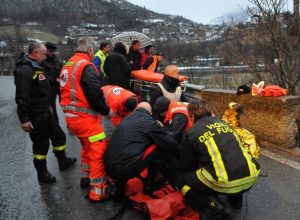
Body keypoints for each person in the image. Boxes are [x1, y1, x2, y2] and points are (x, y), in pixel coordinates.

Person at [178, 100, 260, 218]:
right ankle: (237, 200)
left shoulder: (192, 132)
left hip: (224, 182)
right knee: (231, 164)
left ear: (192, 115)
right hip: (251, 177)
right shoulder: (224, 123)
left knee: (182, 179)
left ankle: (213, 205)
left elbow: (186, 166)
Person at [14, 42, 76, 184]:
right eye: (43, 53)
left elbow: (42, 84)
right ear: (35, 53)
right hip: (36, 115)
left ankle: (63, 161)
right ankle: (42, 173)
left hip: (46, 111)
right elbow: (22, 97)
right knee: (41, 145)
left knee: (59, 136)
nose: (45, 56)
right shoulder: (25, 71)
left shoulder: (37, 66)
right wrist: (24, 119)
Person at [60, 37, 112, 202]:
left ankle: (85, 177)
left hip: (72, 118)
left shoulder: (69, 64)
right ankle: (97, 191)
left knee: (87, 147)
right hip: (85, 119)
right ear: (89, 50)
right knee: (98, 151)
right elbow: (94, 94)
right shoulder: (86, 66)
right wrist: (107, 111)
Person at [104, 102, 180, 198]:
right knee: (158, 144)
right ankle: (150, 186)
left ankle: (118, 188)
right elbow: (168, 142)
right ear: (150, 113)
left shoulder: (126, 118)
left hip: (108, 167)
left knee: (127, 152)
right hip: (126, 169)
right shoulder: (148, 122)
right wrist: (182, 153)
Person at [43, 42, 62, 121]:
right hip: (50, 86)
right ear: (46, 50)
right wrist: (54, 79)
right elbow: (43, 75)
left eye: (53, 51)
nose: (52, 53)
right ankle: (55, 122)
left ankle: (70, 120)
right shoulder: (43, 60)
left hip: (60, 84)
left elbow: (61, 67)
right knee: (52, 105)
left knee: (65, 102)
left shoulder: (55, 58)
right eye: (50, 51)